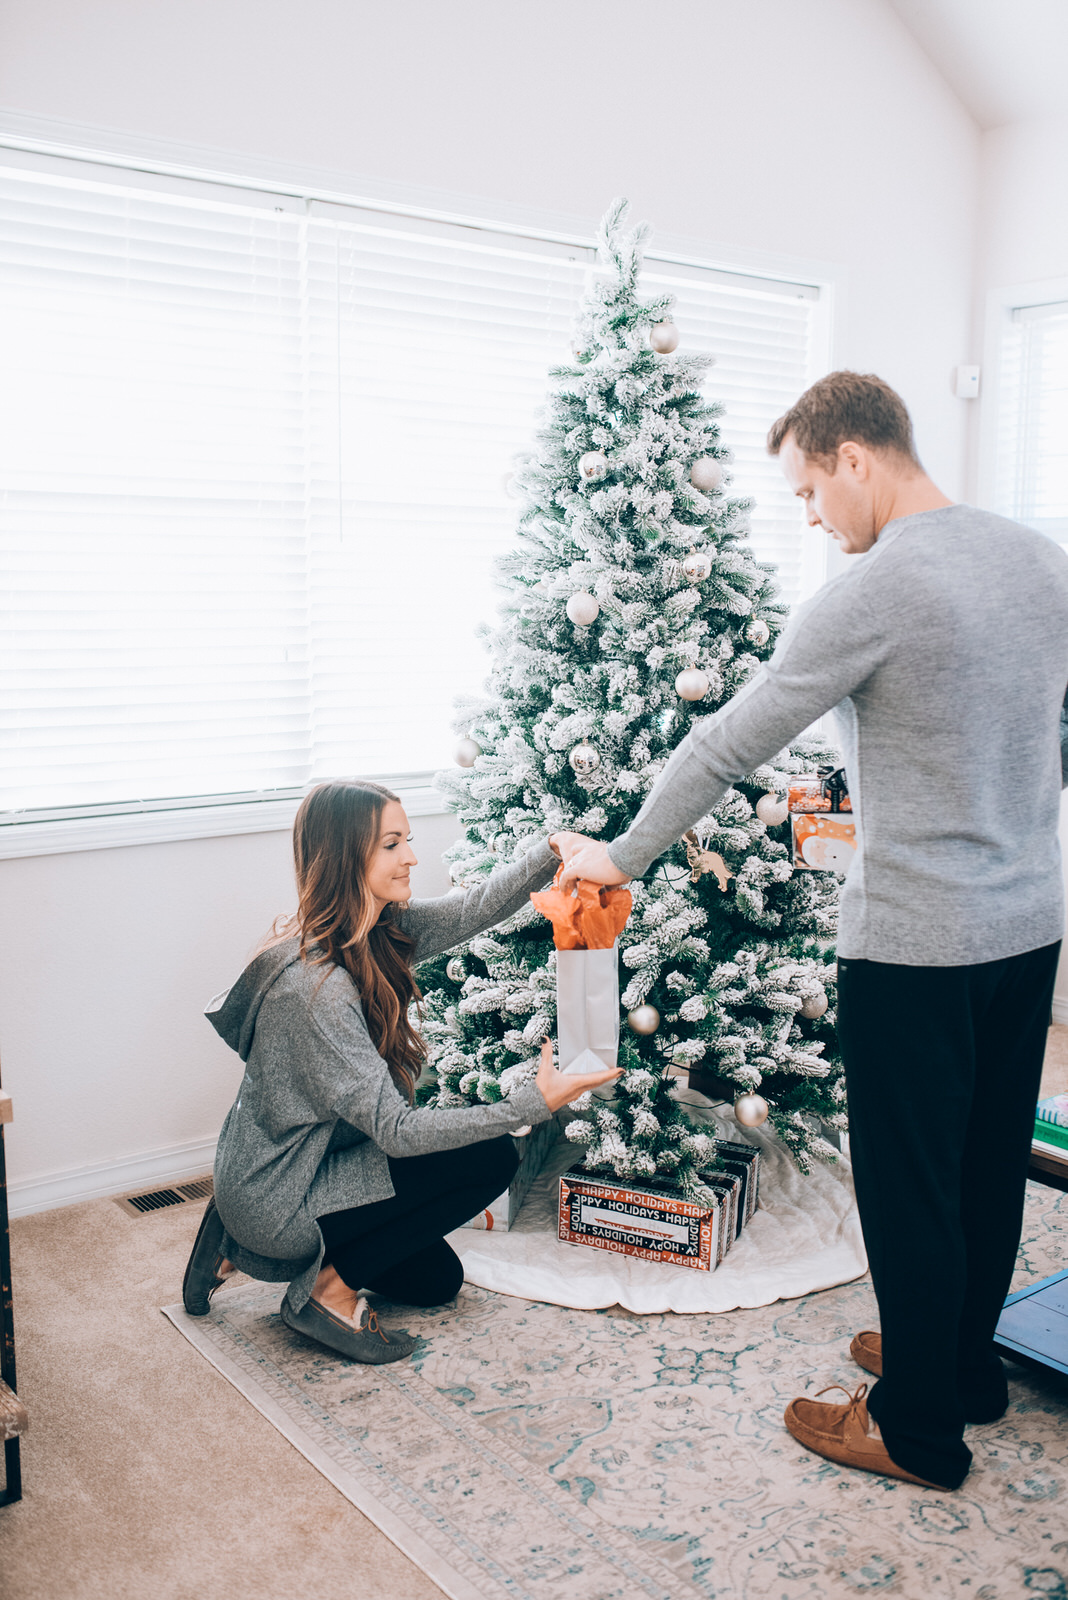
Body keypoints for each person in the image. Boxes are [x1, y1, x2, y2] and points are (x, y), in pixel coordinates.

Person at [557, 370, 1068, 1491]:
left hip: (917, 943)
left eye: (805, 491)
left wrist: (619, 853)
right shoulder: (1040, 558)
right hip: (1029, 926)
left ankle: (917, 1423)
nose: (809, 517)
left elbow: (727, 742)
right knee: (986, 1164)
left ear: (854, 457)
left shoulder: (875, 589)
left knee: (910, 1182)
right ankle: (960, 1364)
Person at [182, 779, 618, 1363]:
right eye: (392, 844)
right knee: (490, 1156)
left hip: (308, 1166)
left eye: (406, 839)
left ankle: (233, 1243)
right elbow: (396, 1131)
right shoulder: (318, 992)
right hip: (281, 1195)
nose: (411, 856)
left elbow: (473, 909)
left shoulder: (376, 931)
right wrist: (529, 1106)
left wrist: (554, 849)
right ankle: (320, 1289)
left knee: (437, 1283)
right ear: (345, 856)